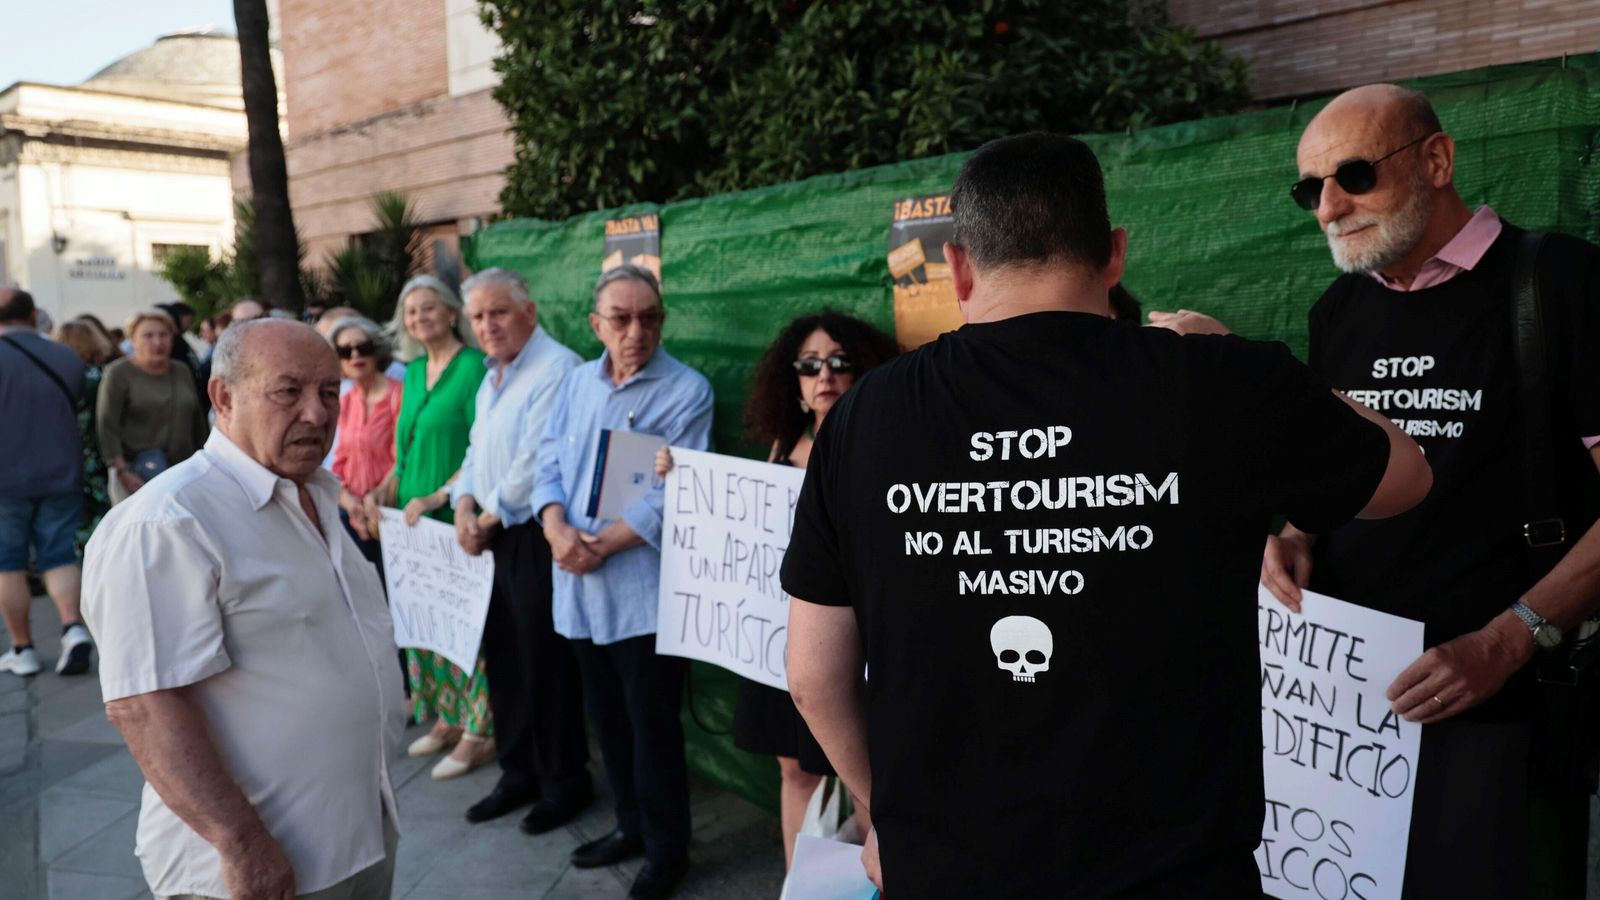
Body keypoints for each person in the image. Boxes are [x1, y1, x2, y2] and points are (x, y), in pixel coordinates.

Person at [781, 132, 1434, 897]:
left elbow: (812, 675)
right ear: (1114, 253)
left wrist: (881, 805)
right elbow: (1410, 476)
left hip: (947, 869)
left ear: (958, 267)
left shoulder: (864, 417)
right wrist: (1231, 350)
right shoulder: (1220, 384)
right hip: (1175, 875)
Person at [1150, 84, 1600, 900]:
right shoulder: (1339, 309)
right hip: (1348, 727)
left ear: (1437, 160)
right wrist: (1295, 539)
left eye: (1353, 174)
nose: (1328, 207)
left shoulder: (1559, 281)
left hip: (1505, 722)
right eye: (1309, 188)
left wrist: (1510, 638)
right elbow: (1336, 480)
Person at [82, 319, 404, 900]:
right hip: (251, 868)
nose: (316, 412)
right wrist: (239, 843)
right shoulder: (168, 522)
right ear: (224, 397)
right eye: (289, 391)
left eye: (330, 392)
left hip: (355, 835)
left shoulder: (316, 493)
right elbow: (143, 705)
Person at [655, 310, 896, 868]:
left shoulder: (883, 440)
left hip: (858, 643)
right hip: (781, 637)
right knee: (794, 767)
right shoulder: (783, 443)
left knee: (864, 775)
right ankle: (800, 880)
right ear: (793, 378)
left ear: (864, 369)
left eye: (840, 362)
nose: (825, 376)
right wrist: (681, 476)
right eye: (810, 365)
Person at [532, 264, 713, 899]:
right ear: (596, 325)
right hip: (578, 584)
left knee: (652, 725)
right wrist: (557, 530)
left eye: (649, 318)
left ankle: (668, 849)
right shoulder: (577, 383)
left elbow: (674, 492)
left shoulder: (687, 390)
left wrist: (599, 545)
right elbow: (547, 462)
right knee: (606, 719)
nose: (636, 331)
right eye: (622, 318)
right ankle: (629, 826)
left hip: (643, 593)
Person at [441, 268, 592, 833]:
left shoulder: (557, 368)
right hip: (493, 531)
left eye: (498, 312)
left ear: (528, 311)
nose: (487, 325)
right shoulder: (492, 376)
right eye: (478, 316)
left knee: (544, 662)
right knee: (503, 655)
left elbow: (536, 459)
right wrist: (462, 507)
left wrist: (485, 516)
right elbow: (479, 450)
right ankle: (518, 770)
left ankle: (564, 781)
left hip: (532, 532)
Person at [361, 275, 495, 780]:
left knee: (465, 623)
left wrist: (442, 494)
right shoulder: (414, 372)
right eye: (411, 310)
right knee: (425, 622)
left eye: (429, 308)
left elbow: (480, 447)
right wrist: (383, 489)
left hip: (451, 513)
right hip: (410, 518)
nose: (420, 317)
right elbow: (405, 448)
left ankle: (480, 727)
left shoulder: (474, 369)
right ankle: (448, 716)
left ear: (452, 312)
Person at [0, 287, 93, 678]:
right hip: (61, 470)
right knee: (59, 555)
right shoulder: (66, 356)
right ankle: (72, 628)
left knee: (8, 565)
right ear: (33, 314)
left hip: (5, 478)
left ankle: (22, 649)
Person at [97, 308, 208, 504]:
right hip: (137, 474)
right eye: (148, 336)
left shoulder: (181, 370)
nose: (157, 342)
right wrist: (121, 470)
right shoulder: (118, 373)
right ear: (132, 339)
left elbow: (197, 418)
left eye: (163, 335)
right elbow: (107, 424)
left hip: (184, 473)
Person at [328, 316, 402, 567]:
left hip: (389, 512)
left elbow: (403, 457)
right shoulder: (346, 401)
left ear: (377, 349)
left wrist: (376, 498)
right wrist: (347, 500)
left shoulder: (399, 395)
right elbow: (339, 459)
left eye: (364, 347)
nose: (355, 355)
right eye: (345, 351)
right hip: (351, 513)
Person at [53, 321, 115, 547]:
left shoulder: (56, 377)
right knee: (100, 519)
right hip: (96, 454)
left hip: (65, 455)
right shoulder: (98, 375)